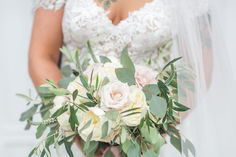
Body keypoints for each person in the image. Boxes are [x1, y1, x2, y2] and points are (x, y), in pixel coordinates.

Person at [28, 0, 236, 156]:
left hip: (146, 141)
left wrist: (151, 133)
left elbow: (198, 69)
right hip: (74, 140)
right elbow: (42, 56)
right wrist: (76, 128)